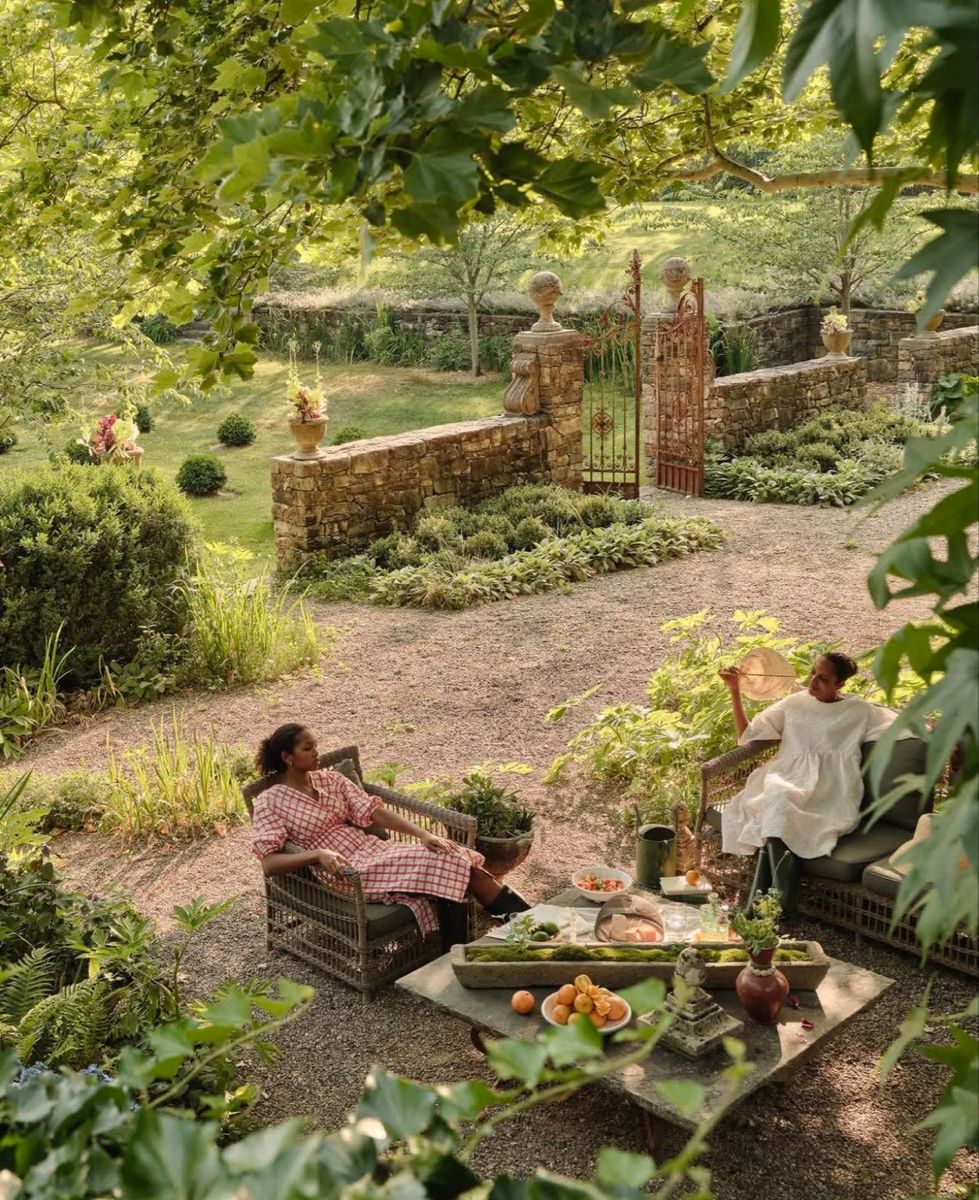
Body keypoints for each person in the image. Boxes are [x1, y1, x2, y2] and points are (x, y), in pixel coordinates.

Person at [251, 724, 531, 949]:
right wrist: (317, 854)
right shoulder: (270, 801)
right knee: (450, 863)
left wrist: (422, 835)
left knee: (448, 855)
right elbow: (269, 863)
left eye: (316, 745)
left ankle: (511, 931)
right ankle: (530, 926)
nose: (317, 753)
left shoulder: (331, 779)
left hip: (370, 848)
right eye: (307, 748)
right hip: (346, 871)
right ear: (287, 757)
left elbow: (375, 813)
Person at [718, 652, 903, 915]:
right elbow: (747, 735)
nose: (813, 681)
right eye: (812, 673)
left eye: (823, 678)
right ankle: (776, 906)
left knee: (775, 814)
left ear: (840, 684)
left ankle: (762, 908)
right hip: (787, 778)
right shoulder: (794, 704)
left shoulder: (860, 711)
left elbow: (906, 725)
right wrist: (734, 690)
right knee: (779, 801)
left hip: (832, 789)